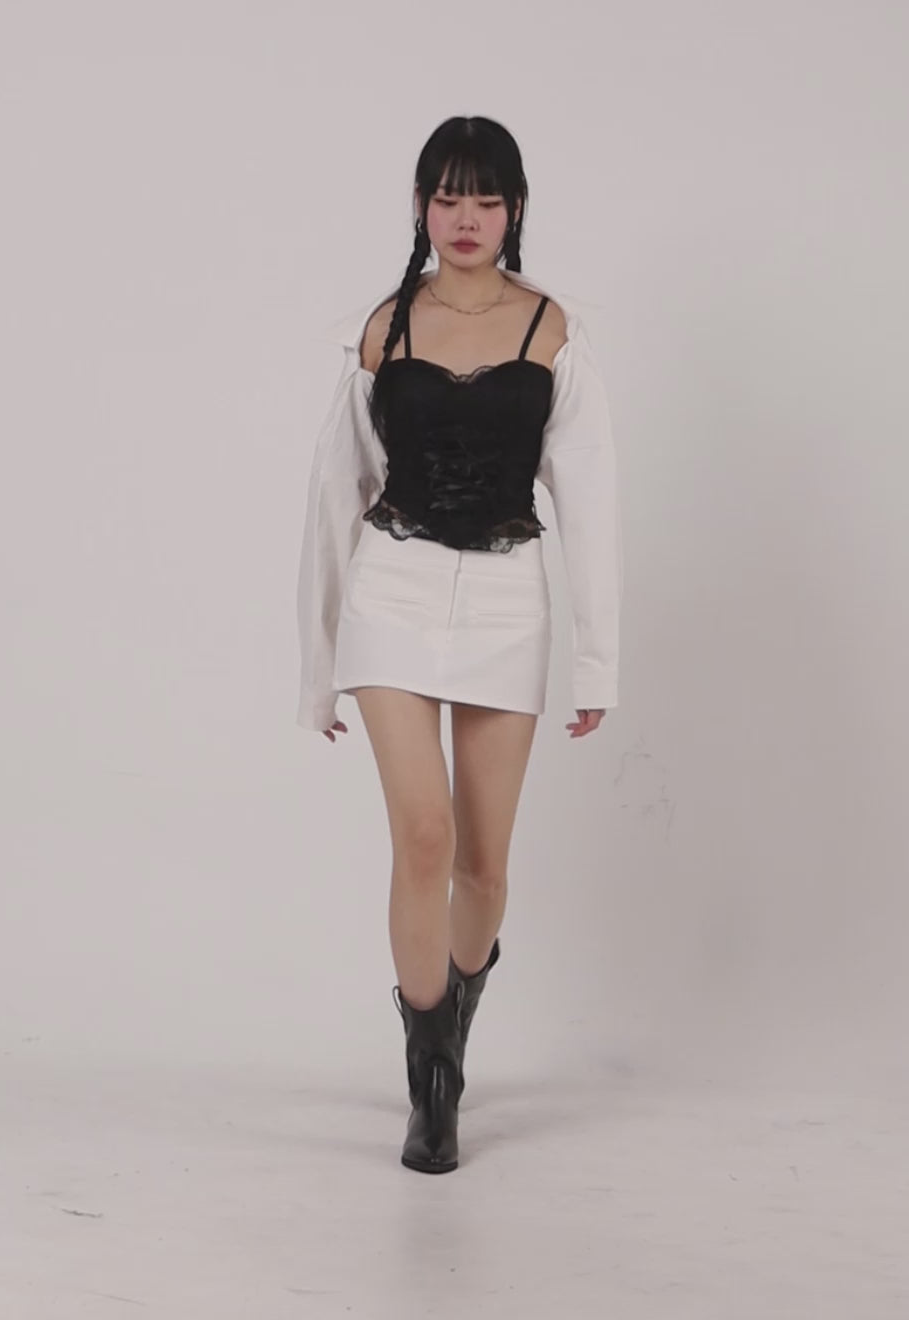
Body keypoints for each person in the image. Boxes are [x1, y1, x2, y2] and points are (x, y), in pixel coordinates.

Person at [295, 116, 622, 1173]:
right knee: (424, 837)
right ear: (421, 208)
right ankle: (430, 1069)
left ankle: (456, 1003)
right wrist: (317, 667)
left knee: (483, 867)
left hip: (506, 601)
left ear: (515, 208)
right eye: (447, 196)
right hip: (391, 589)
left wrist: (597, 660)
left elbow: (591, 506)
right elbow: (332, 498)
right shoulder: (381, 329)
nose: (466, 217)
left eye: (485, 197)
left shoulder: (553, 331)